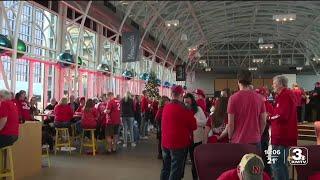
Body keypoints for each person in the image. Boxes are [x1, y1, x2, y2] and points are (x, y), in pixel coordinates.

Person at [160, 85, 197, 180]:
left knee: (166, 168)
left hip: (165, 143)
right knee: (175, 170)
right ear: (181, 95)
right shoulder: (185, 109)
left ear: (172, 94)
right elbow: (194, 126)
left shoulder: (166, 107)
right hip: (179, 144)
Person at [227, 70, 267, 147]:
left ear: (238, 81)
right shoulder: (259, 98)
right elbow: (263, 121)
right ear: (251, 81)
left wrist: (230, 137)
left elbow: (231, 123)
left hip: (238, 140)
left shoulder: (233, 98)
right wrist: (258, 134)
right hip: (255, 140)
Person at [270, 75, 298, 180]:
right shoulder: (285, 95)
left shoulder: (285, 95)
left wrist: (269, 117)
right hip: (282, 135)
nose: (273, 85)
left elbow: (282, 116)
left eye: (274, 83)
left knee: (276, 163)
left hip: (281, 136)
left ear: (280, 84)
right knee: (281, 164)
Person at [183, 93, 207, 180]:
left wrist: (194, 122)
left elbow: (205, 122)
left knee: (195, 161)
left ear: (192, 101)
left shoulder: (198, 109)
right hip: (185, 138)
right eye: (185, 102)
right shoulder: (182, 110)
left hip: (197, 139)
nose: (186, 104)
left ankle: (195, 178)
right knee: (182, 162)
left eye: (188, 102)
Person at [255, 87, 274, 176]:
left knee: (265, 156)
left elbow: (272, 118)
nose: (258, 95)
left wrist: (267, 117)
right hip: (256, 133)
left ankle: (268, 175)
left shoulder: (267, 105)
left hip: (264, 133)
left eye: (259, 94)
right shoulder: (256, 103)